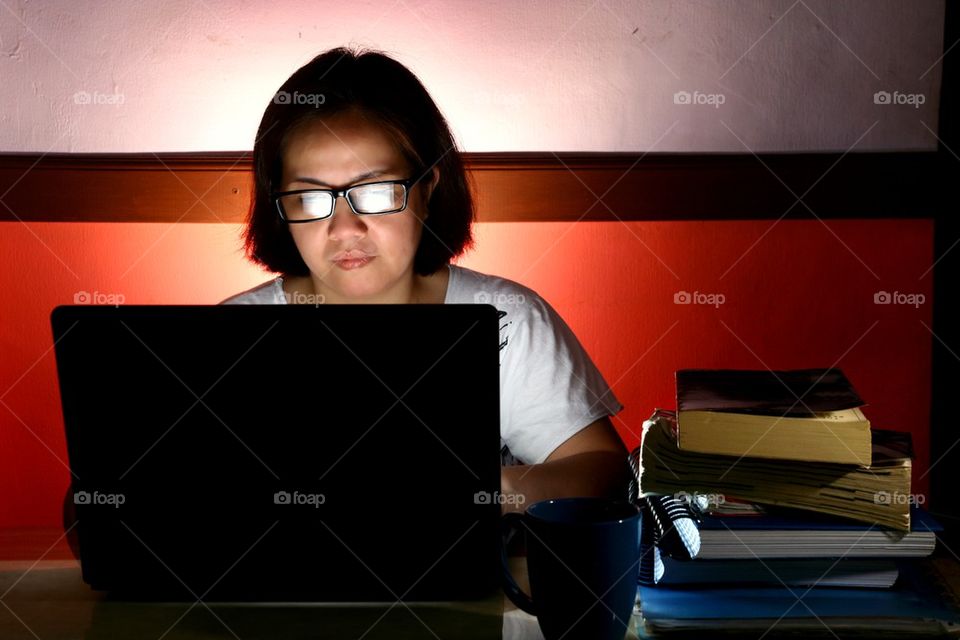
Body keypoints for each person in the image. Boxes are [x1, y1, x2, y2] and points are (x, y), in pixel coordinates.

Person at [220, 47, 630, 512]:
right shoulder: (233, 333)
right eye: (311, 199)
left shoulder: (508, 320)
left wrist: (459, 492)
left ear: (428, 190)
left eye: (374, 192)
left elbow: (601, 470)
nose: (345, 229)